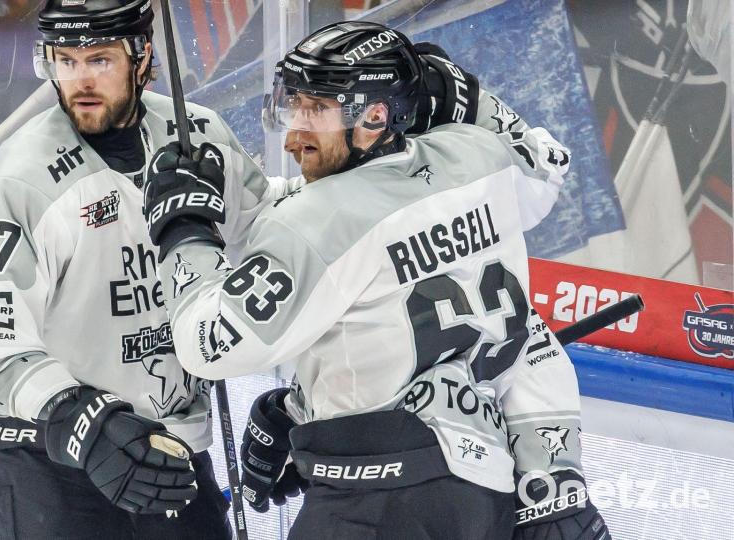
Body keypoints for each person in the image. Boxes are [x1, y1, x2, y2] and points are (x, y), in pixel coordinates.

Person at [143, 21, 610, 539]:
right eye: (293, 107)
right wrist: (460, 90)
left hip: (375, 504)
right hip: (483, 494)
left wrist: (182, 231)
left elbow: (207, 343)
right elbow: (548, 162)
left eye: (317, 111)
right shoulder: (480, 159)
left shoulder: (315, 225)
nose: (295, 137)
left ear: (374, 116)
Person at [0, 1, 292, 538]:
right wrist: (81, 420)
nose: (80, 79)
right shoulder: (23, 177)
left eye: (100, 60)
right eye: (66, 60)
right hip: (47, 458)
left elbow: (274, 235)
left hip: (166, 441)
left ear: (142, 54)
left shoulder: (198, 136)